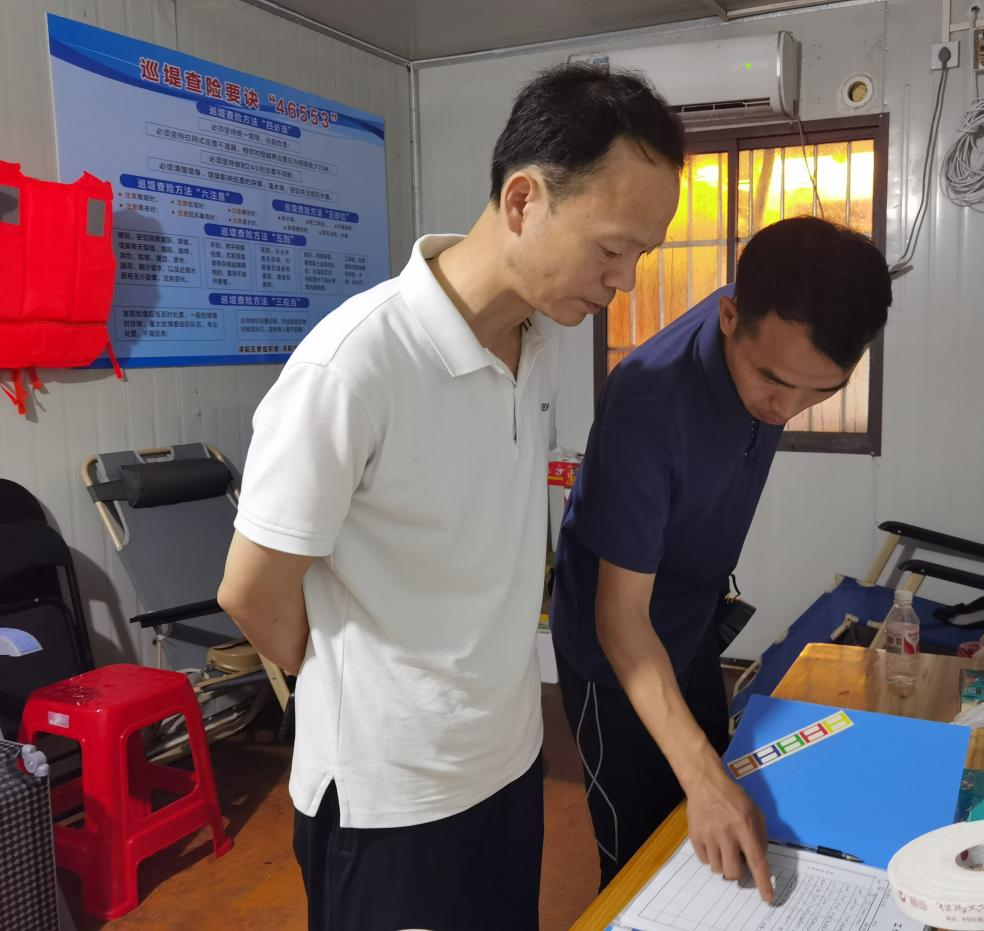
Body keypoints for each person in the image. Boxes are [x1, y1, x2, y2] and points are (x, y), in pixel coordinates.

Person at [216, 64, 683, 931]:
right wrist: (376, 688)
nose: (623, 279)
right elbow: (251, 589)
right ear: (523, 201)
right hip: (390, 801)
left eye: (641, 256)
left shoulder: (538, 342)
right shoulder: (355, 363)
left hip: (507, 764)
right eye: (611, 247)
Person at [550, 215, 892, 901]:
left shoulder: (780, 330)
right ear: (729, 317)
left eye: (821, 391)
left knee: (715, 799)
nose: (787, 408)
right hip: (613, 649)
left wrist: (705, 778)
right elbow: (620, 620)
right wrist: (701, 779)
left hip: (692, 620)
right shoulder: (648, 401)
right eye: (773, 381)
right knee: (640, 852)